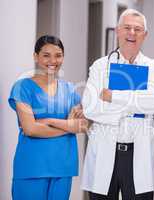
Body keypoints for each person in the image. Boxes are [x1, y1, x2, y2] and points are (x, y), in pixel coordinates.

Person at [81, 9, 154, 200]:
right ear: (118, 31)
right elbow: (90, 107)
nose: (132, 33)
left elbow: (153, 104)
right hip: (105, 151)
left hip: (138, 153)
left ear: (145, 35)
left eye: (137, 29)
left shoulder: (153, 67)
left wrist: (113, 97)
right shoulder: (100, 66)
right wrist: (135, 108)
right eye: (127, 28)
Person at [8, 35, 89, 200]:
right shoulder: (22, 87)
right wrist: (68, 126)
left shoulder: (69, 89)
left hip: (63, 168)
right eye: (46, 55)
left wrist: (51, 122)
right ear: (35, 56)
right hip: (32, 167)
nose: (53, 60)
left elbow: (83, 126)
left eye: (58, 55)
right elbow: (30, 129)